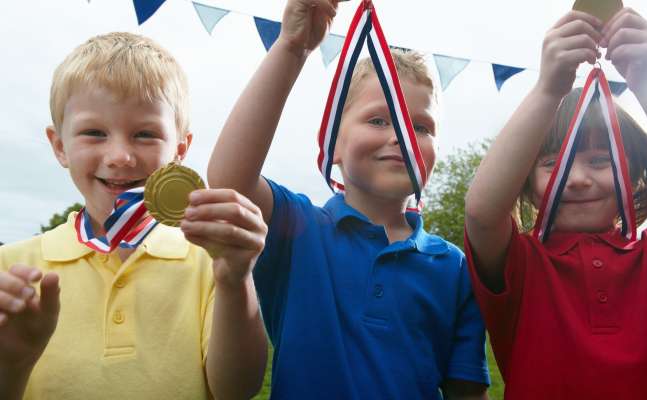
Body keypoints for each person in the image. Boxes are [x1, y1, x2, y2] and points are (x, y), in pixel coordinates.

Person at [207, 0, 490, 398]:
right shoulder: (299, 228)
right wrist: (292, 48)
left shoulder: (452, 265)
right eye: (378, 119)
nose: (400, 137)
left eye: (421, 127)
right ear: (333, 146)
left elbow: (466, 389)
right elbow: (230, 183)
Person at [0, 32, 268, 400]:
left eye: (145, 134)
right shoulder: (10, 269)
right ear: (59, 146)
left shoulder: (210, 261)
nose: (120, 156)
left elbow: (236, 390)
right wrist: (11, 363)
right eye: (94, 133)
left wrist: (236, 280)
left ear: (180, 149)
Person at [464, 8, 647, 399]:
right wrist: (547, 89)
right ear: (524, 184)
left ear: (635, 173)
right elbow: (480, 212)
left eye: (599, 161)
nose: (575, 178)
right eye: (552, 164)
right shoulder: (520, 263)